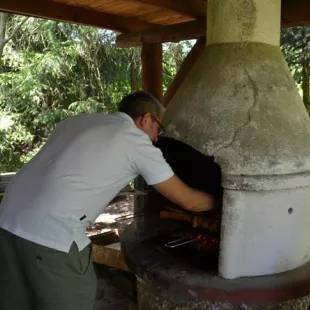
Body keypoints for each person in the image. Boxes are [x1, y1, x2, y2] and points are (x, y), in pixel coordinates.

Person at [0, 91, 215, 310]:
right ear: (146, 118)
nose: (157, 137)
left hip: (6, 220)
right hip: (50, 235)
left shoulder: (79, 120)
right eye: (158, 128)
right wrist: (222, 203)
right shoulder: (135, 141)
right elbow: (190, 202)